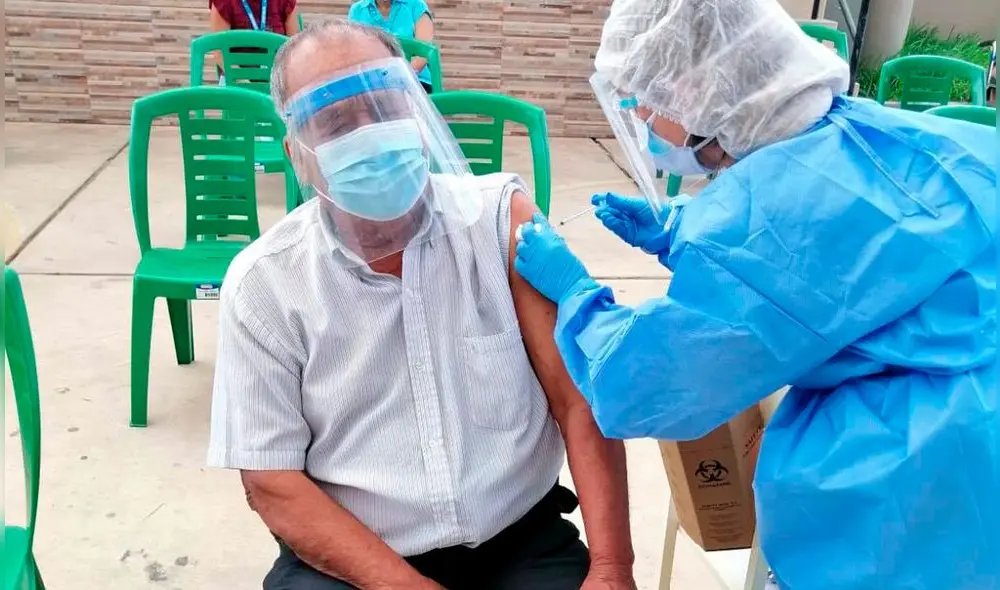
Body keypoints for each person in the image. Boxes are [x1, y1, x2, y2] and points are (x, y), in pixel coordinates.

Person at [511, 0, 999, 589]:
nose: (639, 115)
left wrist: (575, 296)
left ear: (696, 91)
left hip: (905, 498)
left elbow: (648, 385)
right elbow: (848, 252)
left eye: (644, 97)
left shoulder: (779, 209)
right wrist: (684, 228)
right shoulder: (899, 134)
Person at [207, 19, 636, 590]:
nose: (369, 134)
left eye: (384, 107)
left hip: (519, 542)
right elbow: (271, 481)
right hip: (354, 558)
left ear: (418, 113)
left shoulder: (498, 223)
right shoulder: (266, 284)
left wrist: (612, 568)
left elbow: (578, 399)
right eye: (336, 122)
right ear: (298, 155)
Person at [347, 0, 436, 93]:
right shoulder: (357, 10)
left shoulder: (416, 5)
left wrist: (397, 77)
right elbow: (353, 54)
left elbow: (423, 51)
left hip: (415, 80)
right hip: (371, 83)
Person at [208, 0, 302, 84]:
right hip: (237, 78)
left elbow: (293, 49)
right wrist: (244, 82)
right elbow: (219, 53)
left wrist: (278, 82)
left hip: (277, 78)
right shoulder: (223, 2)